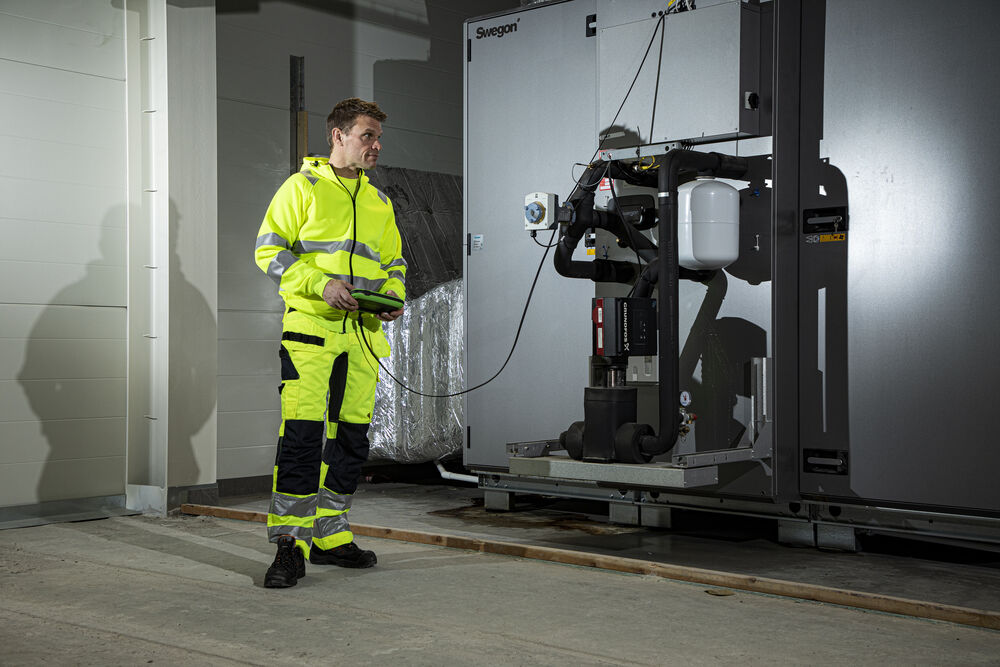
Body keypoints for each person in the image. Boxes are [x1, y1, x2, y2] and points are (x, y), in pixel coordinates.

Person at [254, 97, 406, 588]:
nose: (376, 145)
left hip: (363, 337)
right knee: (301, 439)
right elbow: (268, 251)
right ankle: (290, 545)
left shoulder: (379, 202)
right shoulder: (302, 188)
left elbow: (394, 264)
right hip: (311, 333)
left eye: (378, 138)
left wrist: (393, 296)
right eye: (367, 136)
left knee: (351, 442)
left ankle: (330, 534)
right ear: (338, 136)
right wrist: (321, 285)